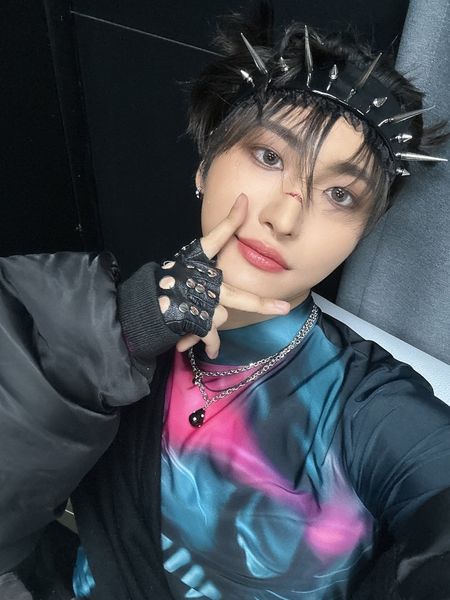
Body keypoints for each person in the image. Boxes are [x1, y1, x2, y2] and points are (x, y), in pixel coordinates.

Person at [1, 4, 449, 600]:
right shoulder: (97, 316)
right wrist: (122, 331)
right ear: (206, 164)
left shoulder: (365, 405)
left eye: (340, 194)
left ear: (362, 233)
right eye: (269, 157)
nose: (284, 217)